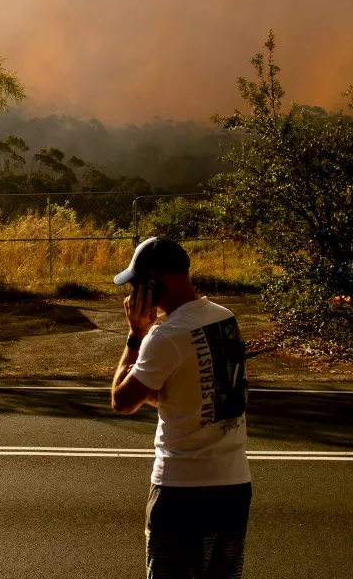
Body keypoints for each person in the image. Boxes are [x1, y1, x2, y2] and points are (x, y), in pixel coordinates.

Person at [110, 236, 251, 579]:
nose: (134, 293)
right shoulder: (224, 318)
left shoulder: (165, 336)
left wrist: (136, 336)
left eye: (138, 283)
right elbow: (196, 391)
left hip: (182, 491)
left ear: (155, 280)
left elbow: (122, 401)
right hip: (234, 486)